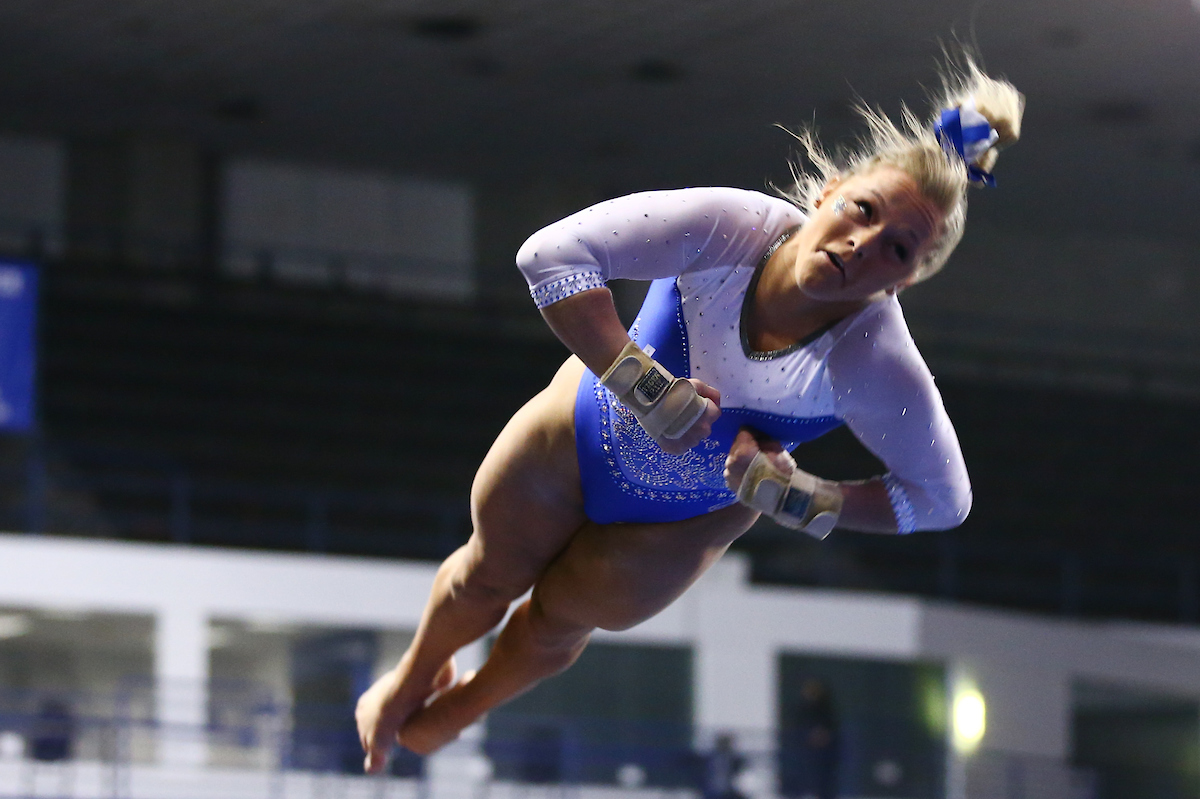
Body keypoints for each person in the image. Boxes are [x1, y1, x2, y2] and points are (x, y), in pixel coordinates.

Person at [356, 54, 1024, 768]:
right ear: (829, 192)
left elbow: (943, 499)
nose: (862, 245)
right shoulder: (731, 227)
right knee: (484, 574)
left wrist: (798, 498)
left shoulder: (874, 356)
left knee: (553, 625)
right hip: (579, 431)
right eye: (862, 210)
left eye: (896, 248)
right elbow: (550, 256)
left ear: (907, 277)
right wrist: (641, 385)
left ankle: (454, 712)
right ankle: (406, 681)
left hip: (677, 521)